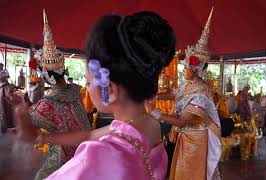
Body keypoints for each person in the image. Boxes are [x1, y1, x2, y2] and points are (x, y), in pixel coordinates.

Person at [13, 11, 176, 180]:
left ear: (110, 91)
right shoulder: (148, 123)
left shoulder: (99, 157)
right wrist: (40, 137)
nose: (87, 88)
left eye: (89, 82)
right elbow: (89, 134)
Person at [13, 10, 92, 180]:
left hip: (66, 155)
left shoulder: (48, 103)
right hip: (87, 149)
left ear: (46, 76)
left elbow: (28, 133)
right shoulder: (75, 90)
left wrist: (21, 111)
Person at [154, 8, 221, 180]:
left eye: (186, 67)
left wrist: (156, 114)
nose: (184, 70)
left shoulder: (202, 94)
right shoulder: (188, 84)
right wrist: (154, 96)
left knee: (190, 175)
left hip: (197, 140)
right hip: (186, 136)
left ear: (197, 69)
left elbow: (183, 120)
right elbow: (174, 94)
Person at [0, 68, 16, 133]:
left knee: (6, 111)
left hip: (5, 91)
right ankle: (5, 126)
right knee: (4, 111)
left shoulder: (5, 71)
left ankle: (6, 126)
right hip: (4, 91)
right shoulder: (7, 86)